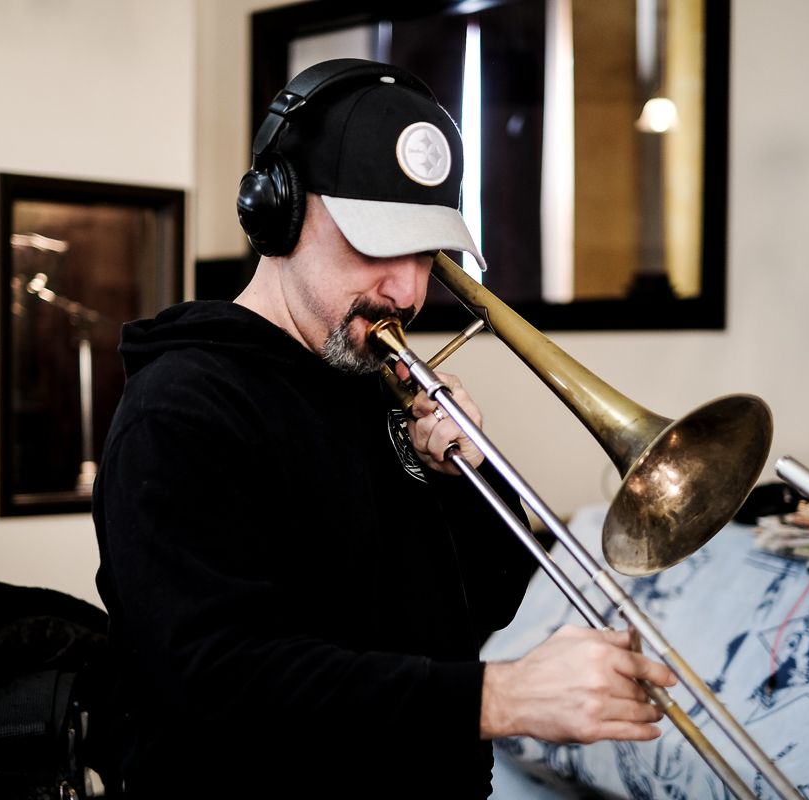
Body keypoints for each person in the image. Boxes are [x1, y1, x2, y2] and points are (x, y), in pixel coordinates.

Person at [92, 58, 676, 797]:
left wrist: (462, 476)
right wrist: (496, 699)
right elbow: (216, 679)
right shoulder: (180, 410)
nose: (407, 290)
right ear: (278, 213)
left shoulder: (373, 387)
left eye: (427, 254)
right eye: (375, 245)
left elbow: (485, 604)